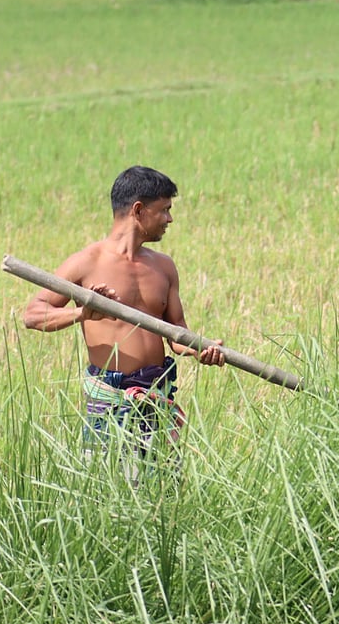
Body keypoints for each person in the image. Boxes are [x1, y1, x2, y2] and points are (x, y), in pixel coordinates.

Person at [24, 166, 225, 478]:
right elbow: (33, 315)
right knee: (108, 493)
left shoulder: (164, 267)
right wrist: (82, 313)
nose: (170, 219)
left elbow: (176, 333)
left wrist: (200, 349)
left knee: (163, 492)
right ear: (138, 210)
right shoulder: (86, 263)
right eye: (165, 210)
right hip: (110, 399)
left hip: (157, 396)